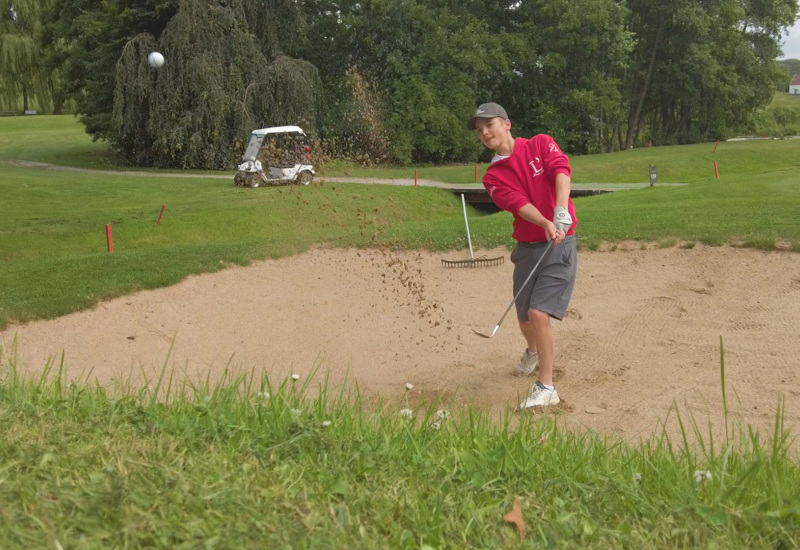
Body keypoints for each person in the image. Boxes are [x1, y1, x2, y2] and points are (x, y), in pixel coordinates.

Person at [467, 102, 578, 409]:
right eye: (479, 130)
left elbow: (562, 172)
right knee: (523, 316)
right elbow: (517, 203)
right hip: (528, 247)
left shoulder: (541, 144)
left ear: (507, 124)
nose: (485, 133)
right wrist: (544, 221)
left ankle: (546, 387)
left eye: (489, 125)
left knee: (538, 314)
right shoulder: (492, 176)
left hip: (559, 242)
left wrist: (559, 211)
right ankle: (533, 351)